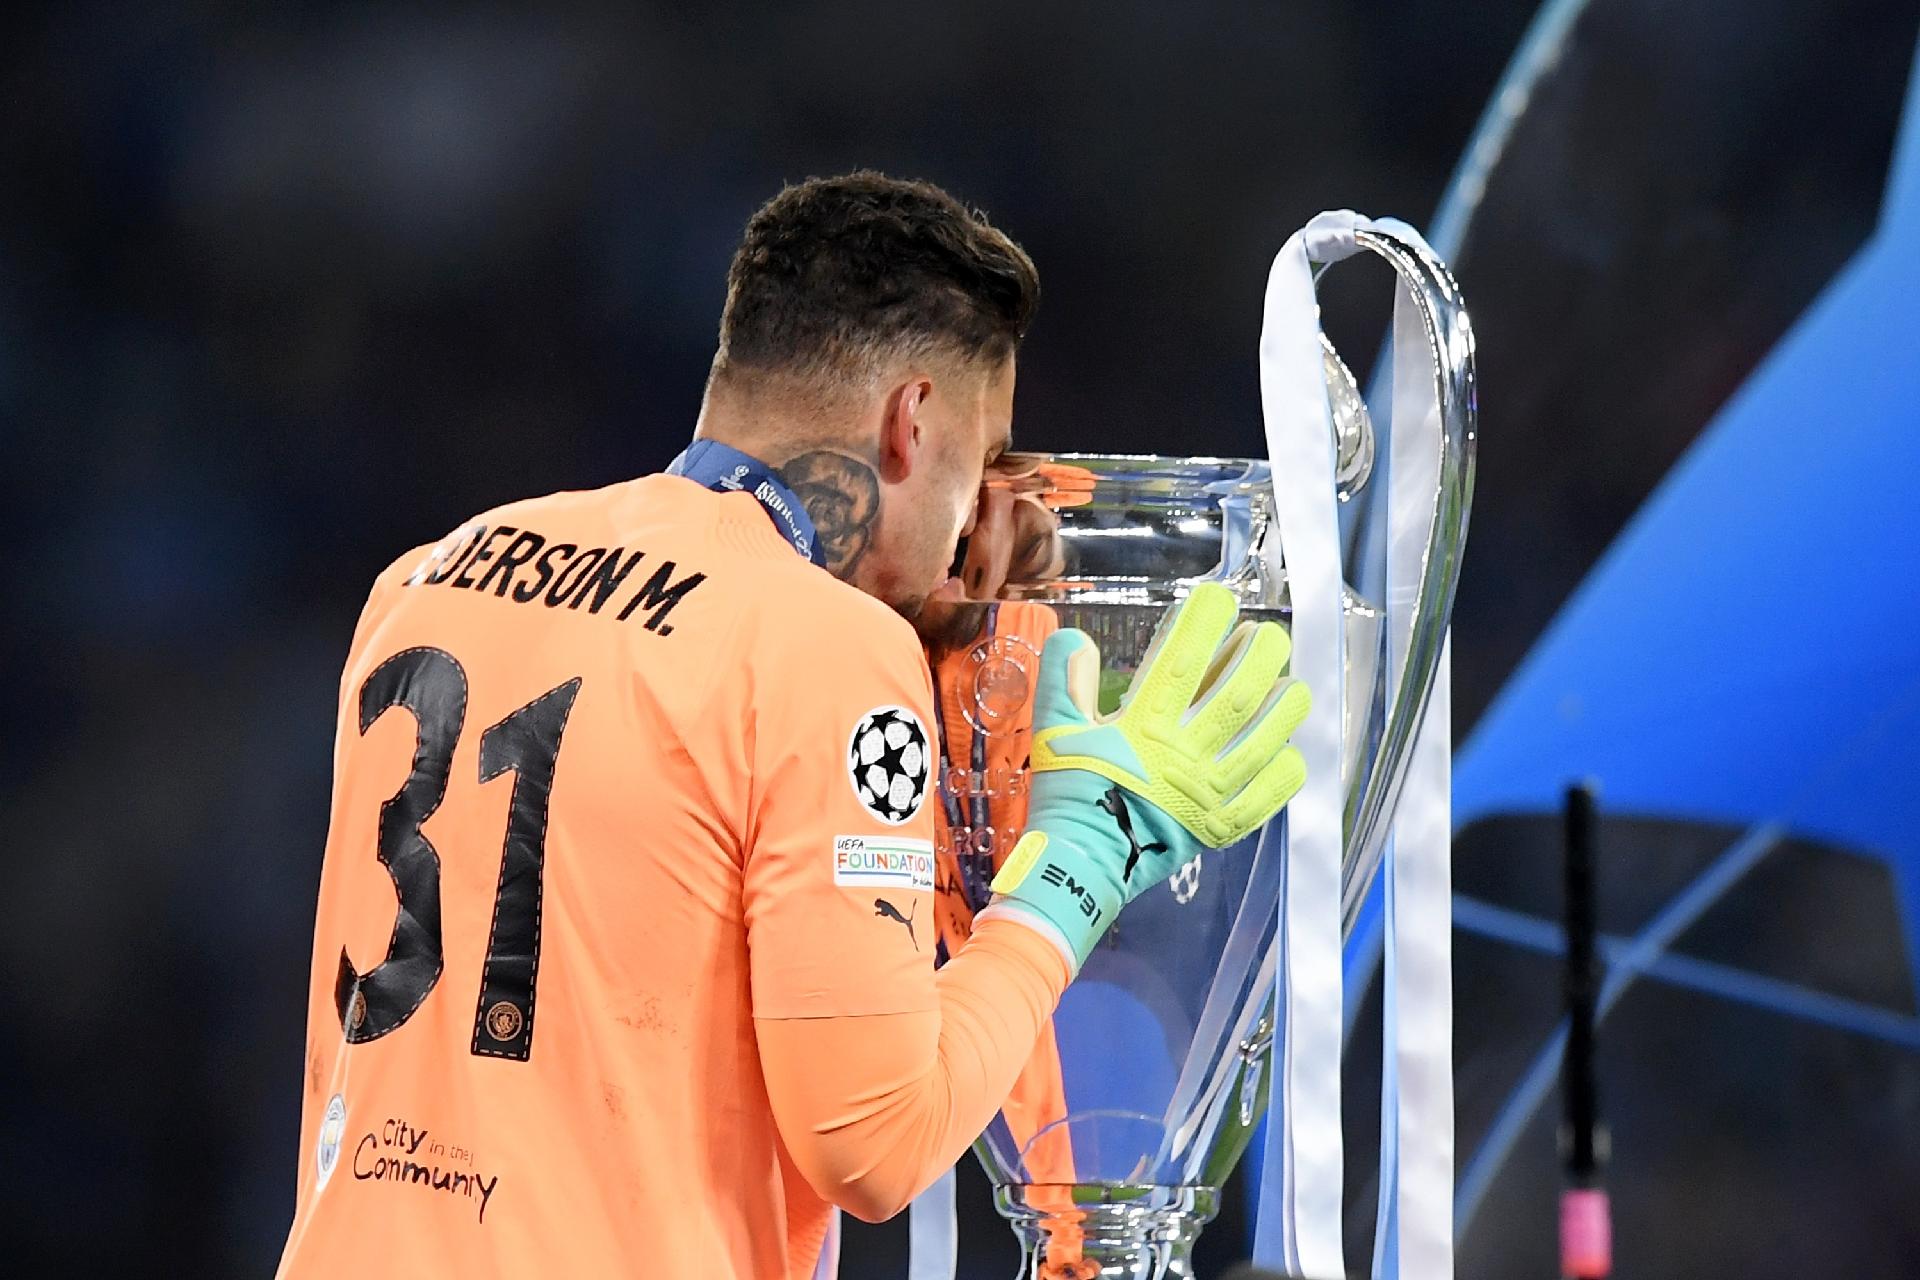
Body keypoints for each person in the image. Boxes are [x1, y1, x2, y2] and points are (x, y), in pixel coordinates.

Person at [275, 170, 1310, 1280]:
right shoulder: (822, 647)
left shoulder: (431, 573)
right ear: (913, 423)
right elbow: (873, 1141)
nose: (975, 524)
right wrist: (1078, 868)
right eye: (985, 455)